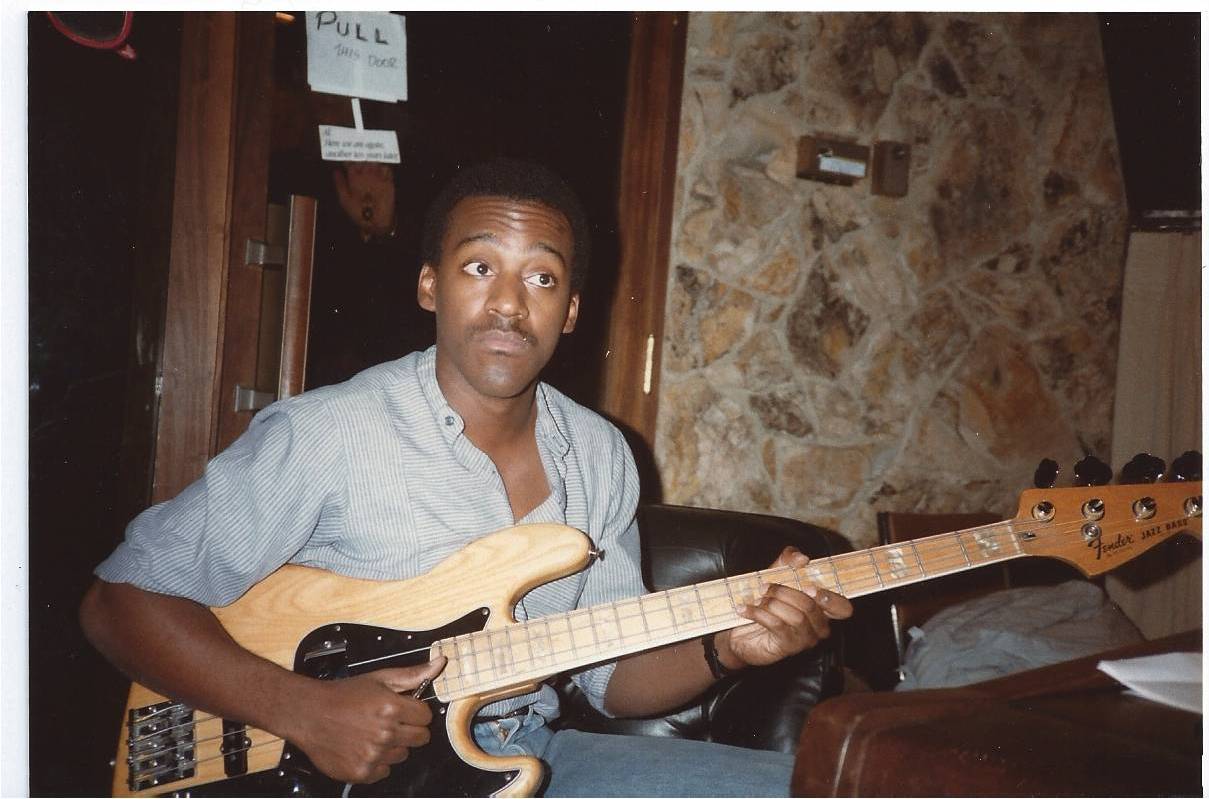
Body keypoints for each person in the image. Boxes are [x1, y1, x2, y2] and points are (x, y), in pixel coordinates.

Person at [80, 158, 853, 797]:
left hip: (526, 757)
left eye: (541, 278)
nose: (508, 305)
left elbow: (611, 678)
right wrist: (305, 710)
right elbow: (118, 604)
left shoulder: (600, 453)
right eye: (480, 268)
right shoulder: (328, 433)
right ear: (430, 285)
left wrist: (725, 646)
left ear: (570, 309)